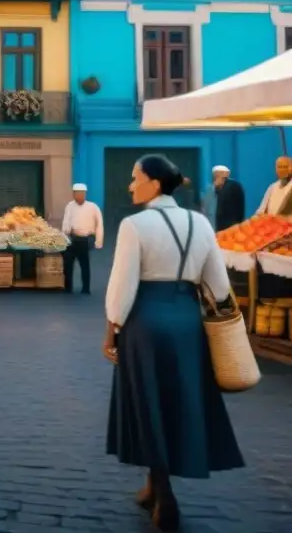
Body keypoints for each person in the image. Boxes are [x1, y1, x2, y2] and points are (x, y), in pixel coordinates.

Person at [103, 155, 243, 531]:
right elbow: (218, 285)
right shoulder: (200, 223)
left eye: (135, 178)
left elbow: (122, 287)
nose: (130, 185)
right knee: (179, 402)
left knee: (148, 403)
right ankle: (153, 486)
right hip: (188, 321)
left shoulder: (133, 226)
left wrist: (111, 329)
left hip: (145, 322)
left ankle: (164, 496)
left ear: (153, 183)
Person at [61, 183, 104, 295]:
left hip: (86, 238)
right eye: (76, 193)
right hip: (72, 238)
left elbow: (99, 224)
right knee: (68, 263)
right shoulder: (70, 206)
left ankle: (86, 288)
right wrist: (64, 234)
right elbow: (66, 221)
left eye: (81, 193)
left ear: (84, 194)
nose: (78, 196)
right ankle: (67, 287)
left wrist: (98, 241)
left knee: (84, 264)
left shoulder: (93, 207)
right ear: (73, 194)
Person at [210, 165, 245, 232]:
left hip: (231, 226)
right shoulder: (217, 188)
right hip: (221, 226)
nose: (214, 179)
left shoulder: (233, 185)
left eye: (216, 176)